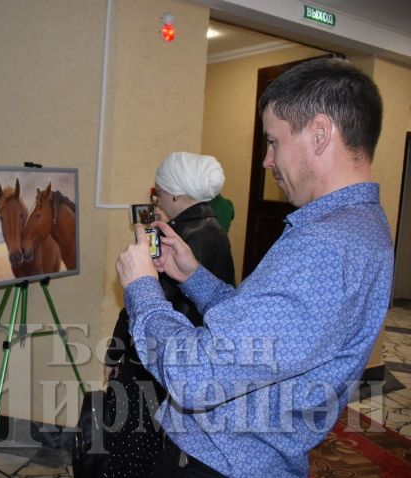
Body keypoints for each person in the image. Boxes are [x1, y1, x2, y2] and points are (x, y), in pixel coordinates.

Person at [115, 57, 393, 477]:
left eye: (274, 142)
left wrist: (142, 288)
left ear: (320, 133)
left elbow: (195, 377)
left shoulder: (323, 246)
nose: (267, 160)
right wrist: (193, 277)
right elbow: (264, 333)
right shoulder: (362, 226)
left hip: (219, 463)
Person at [103, 152, 235, 478]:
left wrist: (115, 352)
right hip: (188, 360)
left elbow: (144, 302)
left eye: (159, 192)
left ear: (175, 193)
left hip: (158, 359)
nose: (156, 198)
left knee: (130, 446)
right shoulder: (215, 230)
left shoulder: (176, 238)